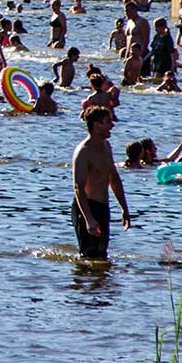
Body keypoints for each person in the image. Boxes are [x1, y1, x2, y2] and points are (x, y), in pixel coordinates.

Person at [70, 107, 131, 260]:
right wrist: (88, 219)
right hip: (86, 208)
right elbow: (78, 187)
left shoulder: (106, 146)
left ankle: (100, 283)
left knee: (102, 256)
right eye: (108, 122)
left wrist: (124, 208)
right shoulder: (83, 152)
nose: (112, 125)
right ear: (96, 125)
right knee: (88, 257)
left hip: (103, 208)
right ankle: (82, 282)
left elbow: (114, 179)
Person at [123, 1, 152, 78]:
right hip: (131, 55)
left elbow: (146, 40)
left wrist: (140, 57)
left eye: (128, 11)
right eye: (125, 11)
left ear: (135, 10)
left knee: (142, 78)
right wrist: (126, 56)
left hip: (140, 55)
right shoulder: (129, 22)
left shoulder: (142, 22)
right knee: (129, 78)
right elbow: (128, 41)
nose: (126, 13)